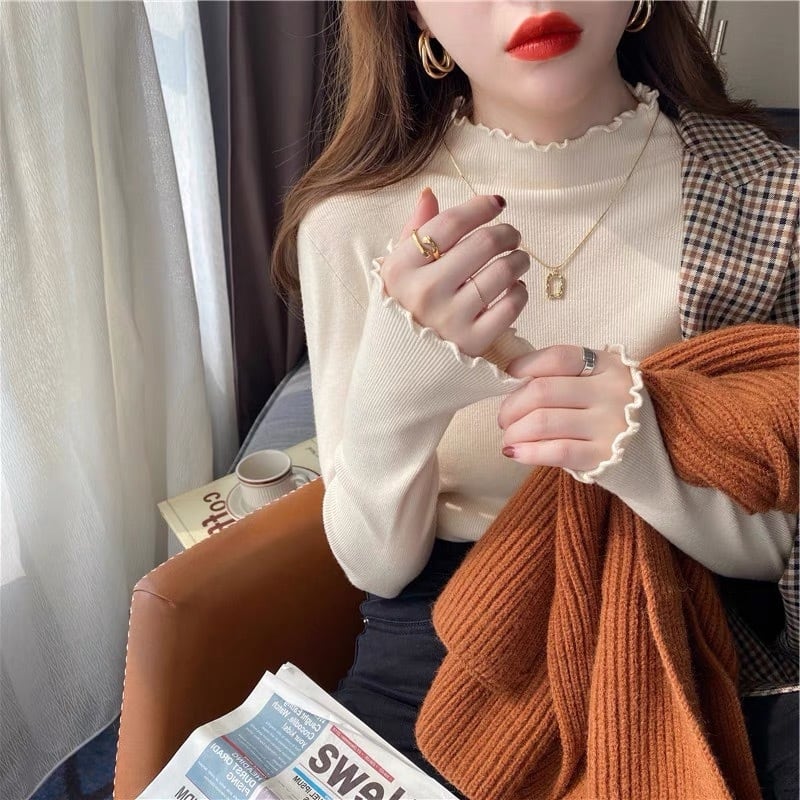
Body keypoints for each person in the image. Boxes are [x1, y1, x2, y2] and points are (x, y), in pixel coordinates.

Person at [271, 2, 798, 797]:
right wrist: (399, 391)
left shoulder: (767, 200)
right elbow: (375, 563)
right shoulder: (350, 224)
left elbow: (781, 552)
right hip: (441, 652)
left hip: (697, 641)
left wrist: (646, 453)